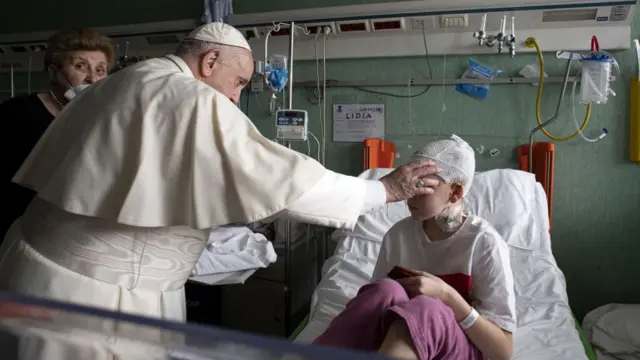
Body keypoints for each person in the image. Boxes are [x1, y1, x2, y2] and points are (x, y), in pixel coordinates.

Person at [0, 22, 440, 322]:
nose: (234, 98)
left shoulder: (128, 79)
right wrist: (383, 190)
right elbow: (282, 179)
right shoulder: (187, 95)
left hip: (46, 271)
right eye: (239, 83)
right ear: (210, 62)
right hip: (91, 295)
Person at [313, 135, 516, 360]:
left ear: (455, 192)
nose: (410, 194)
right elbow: (376, 312)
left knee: (426, 308)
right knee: (383, 291)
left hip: (458, 346)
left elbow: (502, 351)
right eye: (410, 182)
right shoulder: (399, 235)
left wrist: (447, 296)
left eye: (422, 185)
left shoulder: (484, 243)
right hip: (401, 336)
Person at [0, 28, 115, 238]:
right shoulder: (15, 113)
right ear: (54, 73)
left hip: (63, 232)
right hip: (14, 228)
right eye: (81, 66)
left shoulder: (101, 120)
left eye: (100, 70)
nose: (92, 78)